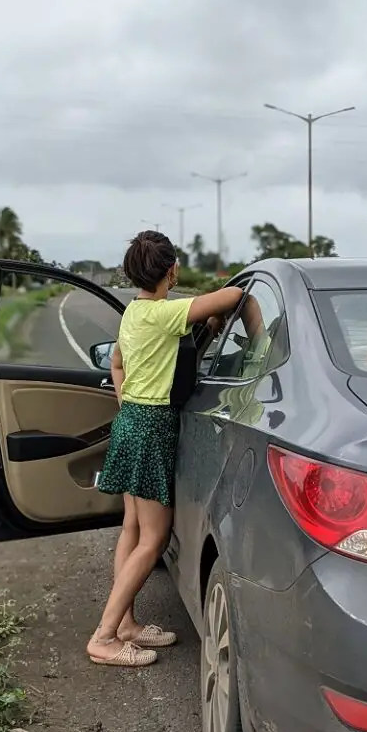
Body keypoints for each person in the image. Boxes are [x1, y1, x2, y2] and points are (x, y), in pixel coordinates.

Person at [88, 230, 245, 668]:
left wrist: (127, 401)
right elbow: (230, 295)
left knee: (133, 530)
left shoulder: (134, 315)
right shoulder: (165, 314)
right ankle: (104, 636)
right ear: (172, 270)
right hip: (153, 427)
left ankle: (126, 625)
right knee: (154, 538)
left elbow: (119, 363)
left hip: (131, 422)